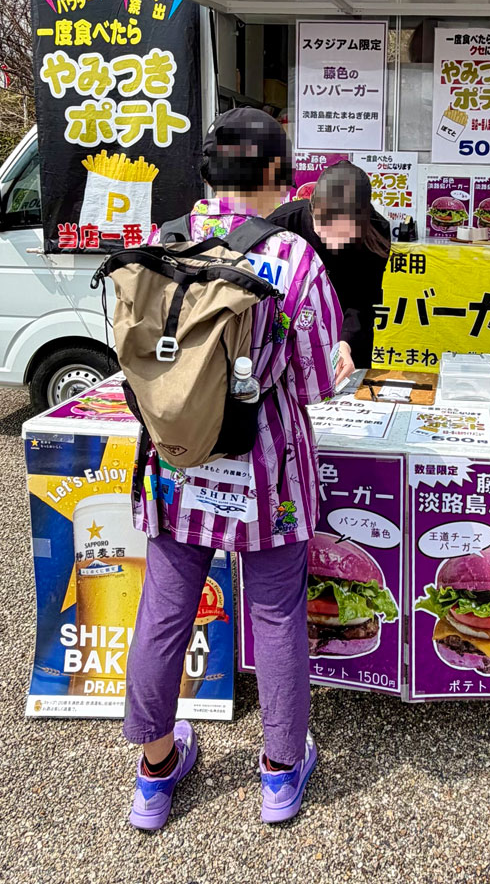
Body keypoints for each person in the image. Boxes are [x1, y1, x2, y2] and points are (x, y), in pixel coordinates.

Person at [122, 108, 342, 831]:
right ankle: (280, 774)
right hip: (267, 473)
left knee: (163, 613)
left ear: (208, 171)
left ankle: (155, 774)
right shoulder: (292, 258)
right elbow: (312, 382)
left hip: (177, 465)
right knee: (276, 616)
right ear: (279, 175)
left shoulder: (164, 241)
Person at [270, 161, 391, 387]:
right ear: (312, 209)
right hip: (288, 333)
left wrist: (346, 343)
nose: (334, 244)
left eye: (344, 233)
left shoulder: (376, 232)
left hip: (348, 333)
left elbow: (362, 302)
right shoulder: (283, 223)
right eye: (324, 230)